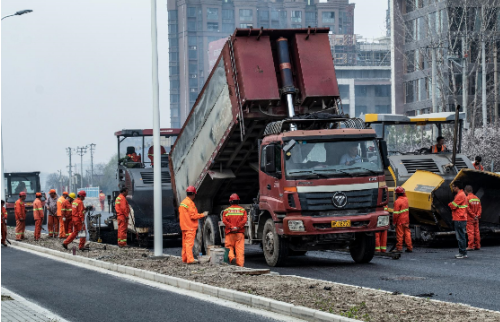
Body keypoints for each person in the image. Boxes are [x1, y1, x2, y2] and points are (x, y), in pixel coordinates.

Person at [179, 186, 207, 264]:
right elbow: (193, 216)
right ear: (193, 194)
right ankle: (190, 260)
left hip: (184, 226)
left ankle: (185, 259)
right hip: (190, 227)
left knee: (185, 244)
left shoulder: (183, 202)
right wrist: (203, 214)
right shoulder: (190, 203)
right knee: (189, 244)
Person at [222, 193, 247, 266]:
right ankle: (240, 266)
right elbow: (244, 220)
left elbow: (224, 221)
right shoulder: (242, 210)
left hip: (230, 233)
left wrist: (231, 227)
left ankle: (232, 258)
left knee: (229, 247)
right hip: (239, 233)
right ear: (238, 201)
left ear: (230, 201)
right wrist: (238, 227)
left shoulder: (226, 211)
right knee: (240, 250)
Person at [448, 180, 468, 259]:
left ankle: (462, 253)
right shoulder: (462, 194)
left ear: (457, 187)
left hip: (459, 218)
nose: (452, 188)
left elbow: (453, 206)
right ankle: (463, 252)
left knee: (460, 237)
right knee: (462, 236)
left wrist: (450, 203)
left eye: (453, 187)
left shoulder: (460, 195)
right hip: (461, 218)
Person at [391, 186, 413, 253]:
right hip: (406, 220)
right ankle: (409, 247)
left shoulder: (397, 202)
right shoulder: (406, 199)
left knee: (400, 235)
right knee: (407, 234)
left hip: (400, 221)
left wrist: (394, 222)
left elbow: (395, 214)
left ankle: (399, 248)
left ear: (396, 194)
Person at [465, 185, 481, 251]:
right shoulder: (477, 198)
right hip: (476, 218)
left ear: (466, 191)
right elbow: (480, 208)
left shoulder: (467, 198)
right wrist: (477, 215)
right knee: (477, 232)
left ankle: (470, 246)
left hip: (470, 218)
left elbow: (467, 209)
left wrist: (473, 215)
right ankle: (477, 245)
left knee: (470, 232)